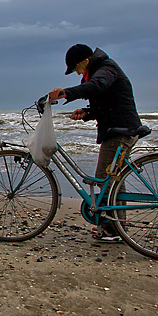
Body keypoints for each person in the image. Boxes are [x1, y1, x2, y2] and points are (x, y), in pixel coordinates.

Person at [47, 44, 144, 242]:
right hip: (120, 127)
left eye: (76, 69)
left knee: (104, 176)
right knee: (115, 179)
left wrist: (66, 92)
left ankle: (112, 229)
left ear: (85, 61)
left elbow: (97, 86)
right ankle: (117, 227)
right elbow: (108, 102)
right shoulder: (103, 68)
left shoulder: (106, 69)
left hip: (120, 130)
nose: (77, 73)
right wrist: (88, 113)